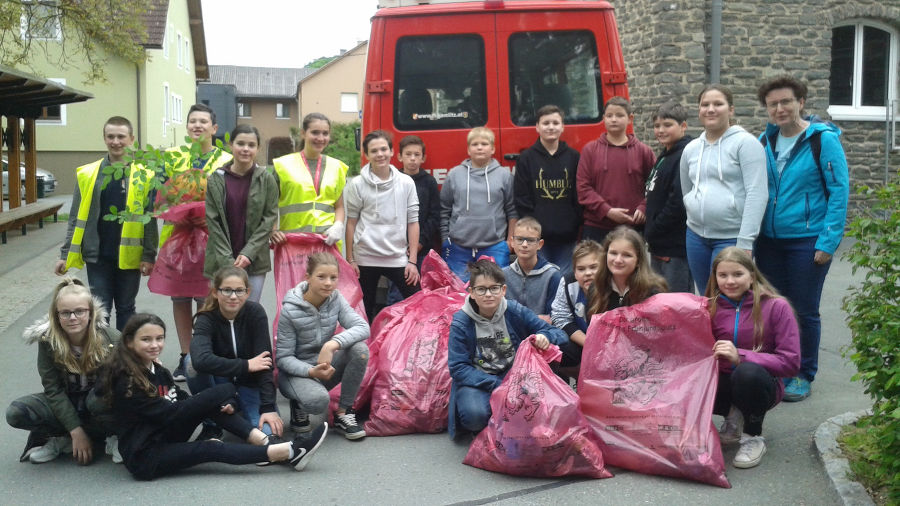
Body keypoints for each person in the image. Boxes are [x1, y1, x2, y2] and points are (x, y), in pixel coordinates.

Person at [100, 313, 327, 480]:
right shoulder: (126, 380)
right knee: (209, 448)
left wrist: (220, 401)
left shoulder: (156, 369)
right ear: (129, 342)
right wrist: (224, 392)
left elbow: (180, 397)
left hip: (163, 434)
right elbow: (172, 412)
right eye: (146, 339)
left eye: (159, 338)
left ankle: (264, 441)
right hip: (145, 456)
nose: (155, 345)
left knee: (212, 405)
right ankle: (288, 452)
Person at [754, 76, 849, 402]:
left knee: (804, 309)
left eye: (786, 102)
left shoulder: (822, 140)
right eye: (773, 104)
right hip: (769, 241)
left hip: (807, 241)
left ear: (801, 102)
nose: (780, 109)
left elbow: (839, 191)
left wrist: (828, 241)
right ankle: (779, 366)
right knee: (774, 308)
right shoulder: (765, 141)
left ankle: (803, 372)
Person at [55, 116, 157, 331]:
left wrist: (149, 255)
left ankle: (124, 351)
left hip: (129, 257)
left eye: (121, 137)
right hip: (97, 256)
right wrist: (65, 254)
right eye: (111, 136)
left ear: (131, 139)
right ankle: (101, 352)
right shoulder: (88, 174)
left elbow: (149, 220)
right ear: (104, 138)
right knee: (100, 311)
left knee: (126, 308)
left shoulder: (144, 175)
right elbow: (75, 217)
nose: (115, 142)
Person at [447, 260, 568, 438]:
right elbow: (458, 368)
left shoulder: (514, 310)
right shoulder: (461, 322)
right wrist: (497, 384)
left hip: (515, 376)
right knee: (474, 416)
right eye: (481, 289)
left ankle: (510, 426)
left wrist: (545, 336)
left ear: (503, 290)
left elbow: (558, 334)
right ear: (471, 292)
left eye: (494, 288)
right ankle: (492, 429)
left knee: (543, 408)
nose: (488, 294)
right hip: (479, 380)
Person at [6, 278, 118, 464]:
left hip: (98, 406)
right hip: (69, 401)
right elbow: (53, 389)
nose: (72, 318)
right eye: (65, 313)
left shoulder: (111, 338)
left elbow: (131, 376)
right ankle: (64, 437)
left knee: (98, 398)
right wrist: (75, 431)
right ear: (56, 315)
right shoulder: (48, 342)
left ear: (91, 313)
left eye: (79, 311)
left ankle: (113, 436)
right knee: (16, 412)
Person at [706, 247, 800, 469]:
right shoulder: (707, 306)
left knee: (747, 373)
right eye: (723, 275)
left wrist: (741, 356)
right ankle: (732, 415)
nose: (730, 281)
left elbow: (791, 363)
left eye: (737, 274)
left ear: (751, 275)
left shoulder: (777, 306)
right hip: (721, 382)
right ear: (715, 277)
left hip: (760, 383)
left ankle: (753, 436)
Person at [162, 104, 233, 382]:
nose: (197, 125)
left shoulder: (226, 159)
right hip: (179, 237)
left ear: (214, 128)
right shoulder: (172, 158)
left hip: (212, 239)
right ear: (187, 126)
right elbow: (161, 197)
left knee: (208, 299)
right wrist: (176, 212)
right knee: (180, 298)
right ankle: (185, 356)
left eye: (203, 121)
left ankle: (205, 355)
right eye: (193, 121)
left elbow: (234, 199)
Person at [680, 85, 767, 292]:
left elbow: (757, 193)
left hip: (732, 237)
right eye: (705, 105)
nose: (711, 109)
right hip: (696, 236)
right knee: (706, 296)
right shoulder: (691, 149)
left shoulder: (746, 144)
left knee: (728, 296)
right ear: (699, 110)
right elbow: (687, 188)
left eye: (718, 104)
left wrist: (745, 241)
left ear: (731, 110)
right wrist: (692, 207)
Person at [277, 253, 370, 440]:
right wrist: (311, 371)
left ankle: (343, 413)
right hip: (296, 374)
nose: (328, 283)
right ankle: (298, 402)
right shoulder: (290, 310)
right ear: (308, 277)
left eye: (333, 278)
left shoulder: (335, 298)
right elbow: (283, 358)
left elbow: (363, 327)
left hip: (324, 366)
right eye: (321, 277)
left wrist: (332, 344)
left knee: (360, 350)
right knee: (318, 402)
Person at [187, 266, 283, 440]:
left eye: (239, 291)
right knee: (190, 364)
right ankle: (212, 423)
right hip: (220, 385)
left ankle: (237, 406)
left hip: (250, 385)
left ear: (247, 292)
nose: (233, 296)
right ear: (215, 292)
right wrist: (246, 365)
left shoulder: (255, 313)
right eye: (227, 290)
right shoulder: (206, 319)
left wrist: (268, 407)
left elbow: (265, 363)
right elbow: (200, 360)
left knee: (268, 436)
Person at [344, 130, 420, 321]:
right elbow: (351, 223)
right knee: (363, 313)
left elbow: (413, 222)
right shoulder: (357, 184)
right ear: (366, 155)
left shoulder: (406, 182)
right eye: (374, 151)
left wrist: (412, 261)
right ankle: (365, 342)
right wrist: (350, 259)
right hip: (365, 258)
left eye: (384, 149)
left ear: (392, 151)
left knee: (418, 302)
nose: (380, 154)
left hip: (397, 257)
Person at [204, 125, 279, 303]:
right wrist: (227, 260)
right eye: (241, 143)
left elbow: (269, 219)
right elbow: (213, 222)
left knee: (249, 310)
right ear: (231, 145)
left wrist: (248, 253)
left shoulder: (267, 179)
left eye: (251, 145)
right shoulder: (216, 178)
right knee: (222, 310)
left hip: (254, 261)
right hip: (220, 259)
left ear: (258, 148)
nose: (246, 149)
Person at [440, 127, 517, 281]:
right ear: (468, 150)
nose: (480, 147)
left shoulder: (504, 175)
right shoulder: (454, 174)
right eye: (475, 144)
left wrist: (510, 242)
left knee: (494, 289)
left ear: (493, 148)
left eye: (484, 144)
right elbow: (444, 210)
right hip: (458, 248)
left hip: (495, 246)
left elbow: (512, 210)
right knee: (458, 291)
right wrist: (445, 240)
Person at [576, 96, 655, 244]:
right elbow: (583, 187)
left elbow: (655, 187)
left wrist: (644, 207)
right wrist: (606, 211)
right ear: (603, 119)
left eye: (619, 115)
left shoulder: (644, 151)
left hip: (632, 227)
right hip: (596, 226)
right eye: (609, 115)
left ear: (630, 118)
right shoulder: (590, 150)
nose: (614, 119)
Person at [513, 105, 581, 273]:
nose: (551, 127)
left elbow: (578, 195)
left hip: (567, 235)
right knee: (540, 277)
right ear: (537, 127)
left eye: (555, 123)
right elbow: (522, 197)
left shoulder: (574, 157)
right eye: (546, 123)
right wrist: (533, 230)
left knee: (565, 279)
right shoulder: (526, 159)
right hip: (537, 237)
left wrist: (574, 222)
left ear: (562, 127)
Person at [271, 112, 349, 247]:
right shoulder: (283, 165)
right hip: (292, 243)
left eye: (325, 133)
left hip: (326, 243)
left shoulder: (337, 167)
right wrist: (273, 230)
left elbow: (339, 206)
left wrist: (338, 225)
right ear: (303, 133)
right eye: (315, 132)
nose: (321, 138)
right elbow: (270, 205)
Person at [644, 101, 694, 293]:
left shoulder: (684, 154)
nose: (661, 130)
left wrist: (655, 228)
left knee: (675, 299)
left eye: (667, 125)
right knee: (658, 297)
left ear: (683, 126)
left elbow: (678, 201)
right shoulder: (666, 154)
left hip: (674, 246)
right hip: (659, 244)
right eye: (657, 126)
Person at [386, 135, 440, 305]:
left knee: (420, 293)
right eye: (408, 154)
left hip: (422, 250)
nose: (412, 159)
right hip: (396, 250)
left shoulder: (429, 182)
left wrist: (420, 242)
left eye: (417, 155)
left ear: (423, 158)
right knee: (396, 295)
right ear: (399, 157)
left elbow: (434, 216)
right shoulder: (391, 181)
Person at [586, 226, 667, 319]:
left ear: (638, 261)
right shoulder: (596, 287)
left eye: (627, 255)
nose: (618, 260)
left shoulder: (653, 290)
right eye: (613, 253)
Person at [550, 240, 603, 378]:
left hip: (607, 346)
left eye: (593, 267)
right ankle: (566, 380)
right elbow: (560, 317)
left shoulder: (613, 287)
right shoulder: (567, 282)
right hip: (581, 340)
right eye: (581, 269)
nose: (588, 273)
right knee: (554, 346)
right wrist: (588, 343)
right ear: (574, 272)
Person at [502, 216, 562, 321]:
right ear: (512, 242)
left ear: (540, 244)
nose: (524, 245)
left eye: (530, 240)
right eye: (520, 239)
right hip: (511, 330)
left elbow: (553, 317)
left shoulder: (553, 275)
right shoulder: (503, 274)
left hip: (542, 330)